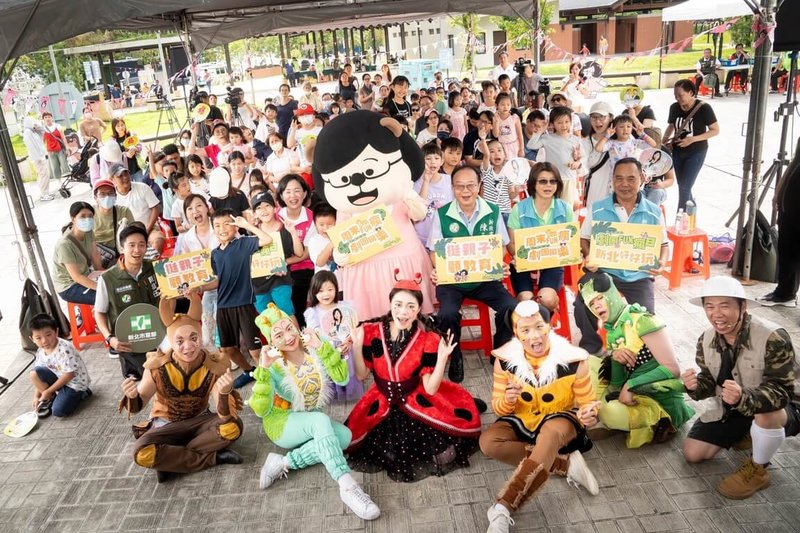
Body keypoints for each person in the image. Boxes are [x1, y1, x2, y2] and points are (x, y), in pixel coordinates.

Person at [249, 305, 381, 520]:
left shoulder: (313, 347)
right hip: (281, 424)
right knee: (320, 421)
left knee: (345, 437)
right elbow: (261, 410)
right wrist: (263, 370)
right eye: (278, 335)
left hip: (310, 421)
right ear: (272, 342)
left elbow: (342, 378)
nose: (288, 337)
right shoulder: (273, 366)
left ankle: (283, 463)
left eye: (289, 328)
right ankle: (347, 487)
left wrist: (322, 347)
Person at [345, 274, 481, 481]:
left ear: (418, 310)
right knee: (365, 445)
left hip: (416, 399)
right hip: (381, 399)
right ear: (390, 304)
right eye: (398, 304)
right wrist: (356, 347)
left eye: (410, 306)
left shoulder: (427, 340)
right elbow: (363, 374)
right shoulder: (371, 333)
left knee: (444, 455)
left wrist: (443, 358)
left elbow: (431, 389)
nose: (403, 312)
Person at [481, 301, 599, 533]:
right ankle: (564, 464)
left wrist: (590, 415)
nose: (534, 336)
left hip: (560, 418)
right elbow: (498, 408)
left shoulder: (574, 360)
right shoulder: (504, 360)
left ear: (549, 326)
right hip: (523, 418)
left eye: (539, 327)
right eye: (525, 330)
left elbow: (588, 403)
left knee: (550, 434)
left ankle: (503, 508)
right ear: (516, 333)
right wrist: (509, 400)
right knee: (487, 443)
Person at [681, 276, 800, 500]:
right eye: (710, 306)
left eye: (725, 305)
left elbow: (782, 391)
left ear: (743, 307)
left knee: (766, 416)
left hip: (784, 407)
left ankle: (758, 469)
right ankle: (749, 431)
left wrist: (743, 398)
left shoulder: (773, 336)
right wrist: (695, 386)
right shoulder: (705, 339)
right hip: (736, 405)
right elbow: (710, 379)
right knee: (693, 452)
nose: (716, 314)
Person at [118, 295, 244, 483]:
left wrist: (225, 392)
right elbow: (138, 405)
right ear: (171, 341)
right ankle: (213, 457)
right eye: (180, 341)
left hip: (200, 423)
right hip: (166, 426)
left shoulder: (215, 364)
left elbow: (225, 416)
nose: (188, 346)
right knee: (141, 452)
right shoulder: (157, 365)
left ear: (200, 337)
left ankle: (170, 460)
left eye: (194, 338)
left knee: (233, 427)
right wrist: (132, 395)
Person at [580, 273, 694, 448]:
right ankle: (601, 415)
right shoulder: (612, 329)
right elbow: (617, 382)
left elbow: (673, 369)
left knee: (608, 412)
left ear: (612, 294)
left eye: (599, 298)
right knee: (586, 362)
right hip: (631, 393)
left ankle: (657, 421)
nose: (596, 306)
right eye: (591, 303)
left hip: (658, 396)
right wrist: (615, 358)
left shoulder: (642, 320)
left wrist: (631, 384)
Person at [426, 166, 517, 382]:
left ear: (479, 186)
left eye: (470, 185)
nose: (465, 191)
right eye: (459, 186)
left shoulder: (492, 211)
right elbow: (433, 250)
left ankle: (500, 351)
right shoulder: (442, 214)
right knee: (446, 314)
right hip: (452, 281)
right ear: (452, 188)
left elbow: (501, 246)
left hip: (484, 279)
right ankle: (455, 355)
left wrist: (499, 265)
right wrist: (439, 270)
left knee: (510, 307)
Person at [575, 158, 669, 355]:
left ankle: (633, 351)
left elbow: (663, 244)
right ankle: (591, 347)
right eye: (619, 178)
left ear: (642, 179)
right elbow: (584, 239)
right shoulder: (598, 207)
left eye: (631, 179)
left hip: (638, 276)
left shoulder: (653, 211)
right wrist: (589, 255)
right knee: (584, 298)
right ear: (612, 180)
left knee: (646, 319)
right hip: (604, 273)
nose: (624, 184)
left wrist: (661, 263)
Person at [208, 209, 273, 388]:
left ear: (235, 226)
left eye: (227, 224)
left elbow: (267, 240)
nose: (222, 228)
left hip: (245, 304)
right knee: (228, 349)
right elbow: (218, 280)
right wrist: (197, 288)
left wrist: (246, 225)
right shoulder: (215, 253)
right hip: (223, 307)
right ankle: (249, 372)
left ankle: (267, 377)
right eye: (217, 225)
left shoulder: (243, 243)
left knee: (255, 350)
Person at [95, 224, 161, 380]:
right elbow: (99, 312)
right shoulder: (108, 278)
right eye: (131, 245)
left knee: (169, 370)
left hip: (159, 334)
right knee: (143, 377)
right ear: (122, 248)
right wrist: (110, 339)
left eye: (141, 245)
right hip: (130, 342)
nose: (137, 250)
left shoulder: (155, 269)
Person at [508, 163, 574, 312]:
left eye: (553, 181)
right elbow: (511, 244)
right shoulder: (519, 209)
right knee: (526, 300)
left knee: (547, 299)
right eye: (543, 181)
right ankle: (529, 328)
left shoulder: (565, 208)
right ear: (533, 183)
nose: (548, 185)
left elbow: (572, 241)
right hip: (523, 264)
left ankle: (544, 325)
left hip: (553, 262)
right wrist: (517, 257)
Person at [304, 271, 362, 400]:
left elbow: (354, 328)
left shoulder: (345, 307)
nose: (326, 294)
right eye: (320, 291)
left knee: (347, 370)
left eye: (330, 289)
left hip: (345, 347)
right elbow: (313, 336)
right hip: (327, 351)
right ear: (314, 292)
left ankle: (349, 392)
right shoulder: (313, 313)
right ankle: (335, 394)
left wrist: (349, 341)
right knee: (332, 370)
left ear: (336, 288)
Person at [663, 79, 720, 210]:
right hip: (677, 151)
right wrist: (664, 140)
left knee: (685, 187)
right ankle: (690, 212)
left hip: (696, 152)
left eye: (681, 95)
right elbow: (671, 125)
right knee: (683, 185)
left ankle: (681, 215)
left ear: (691, 93)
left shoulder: (704, 108)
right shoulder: (674, 107)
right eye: (676, 96)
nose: (678, 98)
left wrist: (693, 139)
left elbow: (715, 130)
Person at [758, 143, 800, 307]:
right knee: (787, 252)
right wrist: (778, 193)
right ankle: (785, 293)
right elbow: (794, 163)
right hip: (789, 206)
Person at [29, 313, 91, 419]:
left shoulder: (64, 348)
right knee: (34, 373)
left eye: (48, 335)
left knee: (58, 411)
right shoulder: (40, 351)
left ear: (56, 332)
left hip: (74, 384)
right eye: (38, 338)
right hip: (59, 378)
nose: (44, 341)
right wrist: (36, 396)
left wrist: (48, 391)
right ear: (32, 339)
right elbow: (39, 375)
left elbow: (69, 375)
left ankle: (82, 393)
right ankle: (50, 399)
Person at [251, 191, 302, 316]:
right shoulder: (253, 232)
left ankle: (296, 335)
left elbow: (299, 253)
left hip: (281, 279)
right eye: (258, 208)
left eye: (267, 205)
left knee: (286, 313)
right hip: (259, 284)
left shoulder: (284, 228)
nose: (263, 210)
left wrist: (293, 232)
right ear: (255, 213)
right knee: (267, 319)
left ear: (275, 208)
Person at [275, 175, 316, 326]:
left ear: (305, 193)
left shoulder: (311, 218)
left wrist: (285, 262)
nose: (293, 196)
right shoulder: (275, 216)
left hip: (302, 269)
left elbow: (306, 253)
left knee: (298, 304)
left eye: (297, 191)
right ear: (281, 195)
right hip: (277, 270)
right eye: (288, 191)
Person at [526, 106, 585, 207]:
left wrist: (577, 163)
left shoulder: (575, 140)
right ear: (552, 124)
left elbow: (583, 158)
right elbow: (531, 145)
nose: (564, 125)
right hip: (551, 179)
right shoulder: (547, 138)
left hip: (568, 178)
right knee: (551, 207)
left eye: (567, 121)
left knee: (566, 208)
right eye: (559, 122)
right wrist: (540, 131)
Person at [52, 201, 103, 305]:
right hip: (69, 286)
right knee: (105, 298)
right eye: (82, 216)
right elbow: (76, 277)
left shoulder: (88, 232)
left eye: (90, 216)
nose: (87, 219)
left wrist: (102, 274)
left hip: (86, 274)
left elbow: (95, 254)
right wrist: (101, 287)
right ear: (73, 218)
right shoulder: (64, 245)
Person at [413, 143, 454, 246]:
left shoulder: (449, 180)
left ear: (442, 161)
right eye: (428, 158)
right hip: (422, 237)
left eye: (436, 158)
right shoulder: (416, 184)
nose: (432, 162)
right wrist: (426, 181)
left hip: (445, 234)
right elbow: (419, 209)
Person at [92, 179, 134, 266]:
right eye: (102, 194)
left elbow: (134, 234)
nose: (107, 197)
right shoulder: (89, 213)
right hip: (95, 255)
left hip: (118, 254)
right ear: (96, 198)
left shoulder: (124, 211)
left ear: (115, 196)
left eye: (110, 193)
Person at [109, 163, 161, 233]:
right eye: (120, 176)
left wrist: (147, 231)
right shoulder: (111, 197)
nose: (125, 177)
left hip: (149, 228)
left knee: (157, 240)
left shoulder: (143, 187)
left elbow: (155, 208)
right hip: (127, 235)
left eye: (126, 174)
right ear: (112, 179)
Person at [581, 101, 615, 209]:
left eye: (602, 117)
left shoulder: (619, 140)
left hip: (614, 188)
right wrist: (605, 139)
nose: (597, 121)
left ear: (610, 118)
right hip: (594, 189)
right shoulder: (586, 142)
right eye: (594, 117)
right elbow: (588, 165)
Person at [592, 114, 658, 168]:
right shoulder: (612, 143)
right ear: (615, 129)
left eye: (628, 126)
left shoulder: (634, 142)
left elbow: (653, 144)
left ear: (632, 128)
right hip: (617, 177)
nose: (625, 129)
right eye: (621, 126)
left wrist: (642, 134)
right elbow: (598, 148)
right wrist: (607, 136)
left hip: (631, 174)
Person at [22, 117, 53, 201]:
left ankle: (45, 192)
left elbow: (43, 130)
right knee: (43, 175)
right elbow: (31, 146)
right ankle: (44, 194)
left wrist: (37, 126)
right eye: (32, 122)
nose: (34, 124)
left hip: (41, 156)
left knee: (44, 175)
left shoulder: (34, 131)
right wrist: (38, 158)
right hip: (38, 158)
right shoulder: (27, 132)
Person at [492, 93, 524, 160]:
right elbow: (496, 135)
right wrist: (496, 121)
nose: (505, 107)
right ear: (496, 105)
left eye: (508, 104)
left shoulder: (514, 118)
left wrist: (521, 149)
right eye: (502, 104)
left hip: (515, 146)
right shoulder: (495, 119)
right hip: (502, 147)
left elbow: (520, 134)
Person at [42, 111, 70, 181]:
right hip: (50, 151)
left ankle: (67, 181)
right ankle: (59, 183)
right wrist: (44, 151)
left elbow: (63, 138)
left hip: (60, 149)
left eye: (49, 117)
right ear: (43, 119)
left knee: (64, 166)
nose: (48, 119)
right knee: (55, 168)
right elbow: (43, 141)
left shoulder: (58, 126)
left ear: (52, 118)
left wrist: (67, 147)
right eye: (46, 117)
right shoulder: (42, 129)